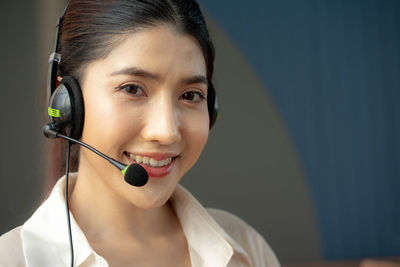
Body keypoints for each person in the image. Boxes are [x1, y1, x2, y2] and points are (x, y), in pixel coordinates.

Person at [0, 0, 280, 266]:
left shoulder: (248, 250)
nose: (167, 132)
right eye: (132, 89)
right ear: (67, 103)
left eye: (190, 95)